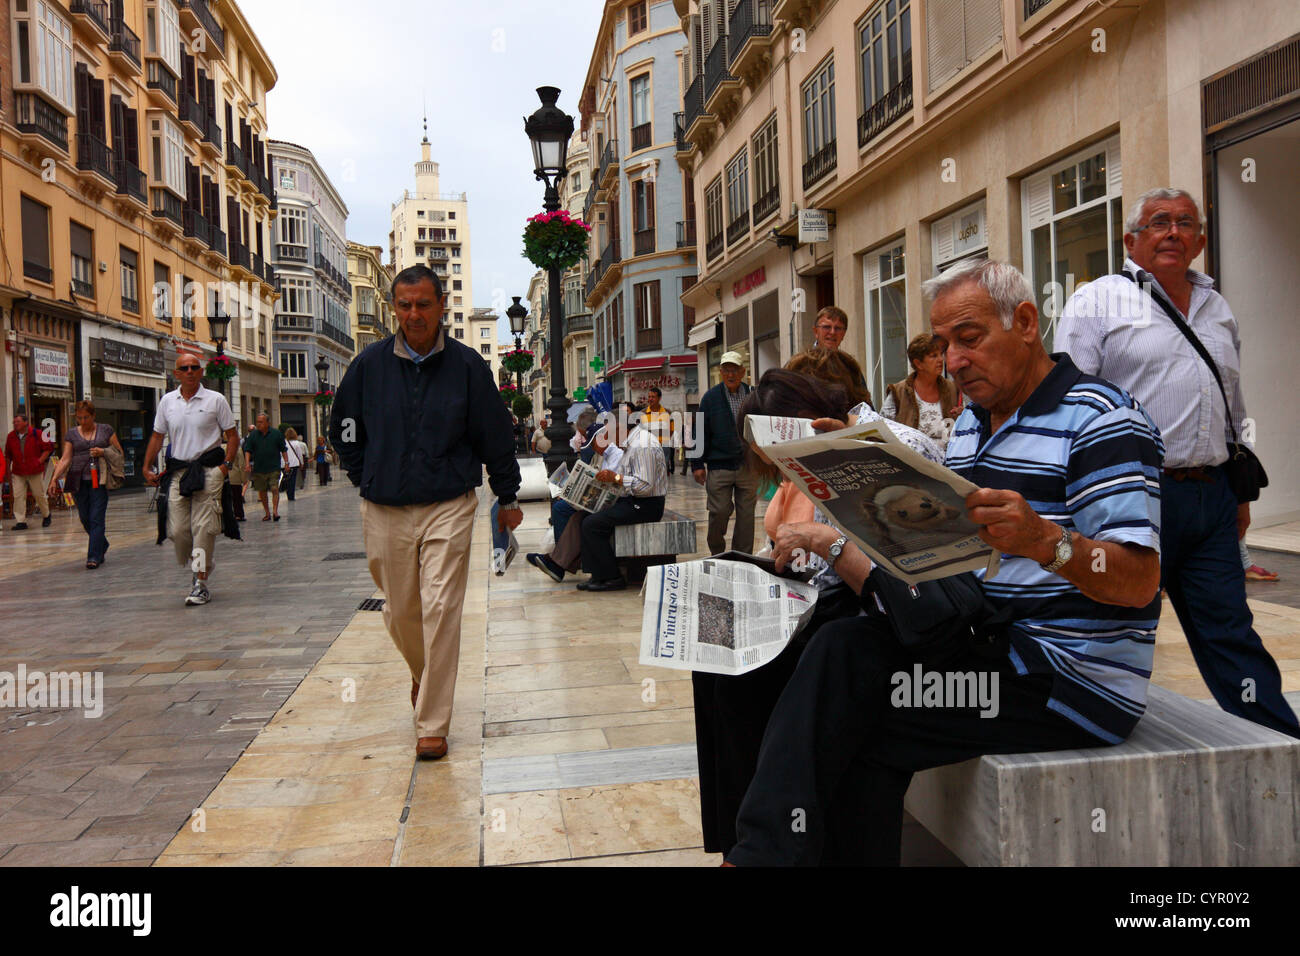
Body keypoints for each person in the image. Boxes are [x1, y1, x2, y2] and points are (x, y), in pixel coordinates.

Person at [725, 259, 1165, 866]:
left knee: (852, 712)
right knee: (818, 651)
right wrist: (847, 472)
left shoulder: (1101, 421)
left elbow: (1140, 584)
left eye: (970, 339)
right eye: (943, 345)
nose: (953, 361)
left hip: (1066, 678)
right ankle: (756, 850)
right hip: (985, 639)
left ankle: (753, 858)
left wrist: (1047, 543)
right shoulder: (972, 427)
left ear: (1028, 322)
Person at [1058, 187, 1300, 738]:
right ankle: (1084, 727)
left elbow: (1232, 406)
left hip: (1210, 496)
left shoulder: (1218, 308)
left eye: (1185, 222)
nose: (1172, 231)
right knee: (1118, 624)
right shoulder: (1097, 302)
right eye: (1159, 222)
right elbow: (1071, 405)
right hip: (1132, 497)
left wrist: (1238, 496)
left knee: (1230, 628)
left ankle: (1282, 745)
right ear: (1130, 240)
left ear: (1201, 240)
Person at [330, 264, 522, 761]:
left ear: (441, 307)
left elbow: (495, 436)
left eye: (423, 304)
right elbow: (345, 429)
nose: (414, 314)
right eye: (405, 304)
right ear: (395, 308)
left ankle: (432, 722)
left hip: (449, 503)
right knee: (399, 612)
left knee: (440, 607)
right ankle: (422, 671)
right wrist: (362, 475)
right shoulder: (367, 367)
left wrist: (508, 495)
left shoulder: (467, 368)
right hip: (384, 506)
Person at [143, 351, 241, 606]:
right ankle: (204, 563)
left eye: (194, 367)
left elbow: (232, 436)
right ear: (176, 373)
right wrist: (146, 466)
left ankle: (200, 582)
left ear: (201, 372)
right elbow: (157, 436)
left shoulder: (216, 400)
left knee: (203, 529)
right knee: (177, 531)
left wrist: (224, 467)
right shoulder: (167, 402)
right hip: (178, 472)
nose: (189, 371)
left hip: (209, 470)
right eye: (184, 368)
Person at [575, 401, 668, 591]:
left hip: (647, 505)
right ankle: (597, 574)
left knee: (592, 524)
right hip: (633, 500)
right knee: (586, 516)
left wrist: (616, 477)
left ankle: (612, 577)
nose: (607, 439)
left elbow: (645, 487)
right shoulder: (631, 443)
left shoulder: (643, 445)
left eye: (608, 433)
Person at [527, 415, 623, 584]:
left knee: (575, 515)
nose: (593, 448)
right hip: (600, 500)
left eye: (593, 444)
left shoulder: (616, 455)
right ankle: (558, 561)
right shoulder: (603, 455)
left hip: (614, 502)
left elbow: (616, 484)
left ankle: (558, 562)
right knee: (561, 507)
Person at [687, 352, 758, 555]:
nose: (730, 374)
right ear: (720, 372)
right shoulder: (710, 398)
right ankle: (717, 552)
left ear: (743, 371)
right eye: (726, 370)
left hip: (748, 466)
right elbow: (698, 432)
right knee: (719, 511)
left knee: (746, 517)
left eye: (734, 369)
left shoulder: (753, 395)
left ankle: (742, 558)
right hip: (719, 467)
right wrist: (697, 465)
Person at [47, 401, 123, 568]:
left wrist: (103, 451)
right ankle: (102, 544)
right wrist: (54, 479)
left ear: (93, 416)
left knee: (96, 518)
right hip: (78, 480)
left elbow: (119, 452)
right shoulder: (72, 434)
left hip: (99, 481)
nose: (82, 421)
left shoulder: (106, 430)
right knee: (85, 518)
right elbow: (66, 458)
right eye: (79, 418)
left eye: (86, 417)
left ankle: (93, 557)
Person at [880, 333, 963, 450]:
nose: (940, 360)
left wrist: (963, 415)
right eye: (933, 356)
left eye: (941, 354)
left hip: (946, 464)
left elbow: (963, 430)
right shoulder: (898, 392)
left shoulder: (953, 388)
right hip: (912, 463)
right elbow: (883, 430)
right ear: (918, 363)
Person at [5, 412, 54, 529]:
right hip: (18, 471)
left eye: (17, 421)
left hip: (35, 470)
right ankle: (20, 521)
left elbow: (48, 448)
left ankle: (46, 515)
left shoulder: (38, 434)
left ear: (25, 422)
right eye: (14, 422)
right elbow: (8, 454)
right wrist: (8, 471)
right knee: (18, 496)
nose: (14, 424)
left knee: (39, 494)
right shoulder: (11, 436)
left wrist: (39, 461)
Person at [243, 413, 289, 522]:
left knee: (274, 488)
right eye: (257, 422)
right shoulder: (253, 435)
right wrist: (247, 464)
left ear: (267, 423)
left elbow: (283, 449)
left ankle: (275, 512)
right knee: (262, 491)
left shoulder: (276, 434)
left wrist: (286, 463)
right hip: (259, 468)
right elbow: (247, 450)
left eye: (261, 422)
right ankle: (267, 513)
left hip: (274, 467)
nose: (258, 424)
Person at [643, 387, 675, 475]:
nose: (650, 399)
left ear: (659, 398)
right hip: (647, 448)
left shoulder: (667, 413)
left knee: (662, 474)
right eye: (649, 396)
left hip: (663, 448)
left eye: (653, 397)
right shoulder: (643, 413)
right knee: (648, 473)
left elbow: (671, 430)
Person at [282, 427, 308, 502]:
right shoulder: (297, 443)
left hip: (285, 464)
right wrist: (301, 463)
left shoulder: (284, 442)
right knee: (292, 480)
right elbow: (299, 454)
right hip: (294, 463)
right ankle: (291, 495)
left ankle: (287, 492)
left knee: (286, 479)